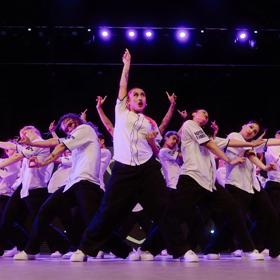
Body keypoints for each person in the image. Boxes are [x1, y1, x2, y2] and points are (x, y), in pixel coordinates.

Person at [70, 48, 190, 262]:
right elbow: (122, 85)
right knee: (107, 211)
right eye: (136, 94)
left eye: (143, 95)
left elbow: (159, 137)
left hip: (147, 169)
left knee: (163, 209)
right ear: (127, 101)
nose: (140, 97)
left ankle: (181, 250)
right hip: (123, 169)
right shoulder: (121, 112)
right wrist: (127, 64)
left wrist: (155, 135)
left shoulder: (149, 123)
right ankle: (85, 249)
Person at [13, 114, 105, 260]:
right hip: (73, 183)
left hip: (86, 182)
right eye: (66, 128)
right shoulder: (75, 137)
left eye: (70, 123)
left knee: (93, 221)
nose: (69, 128)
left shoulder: (84, 129)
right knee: (46, 210)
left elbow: (60, 146)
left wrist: (44, 162)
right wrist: (33, 144)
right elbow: (54, 141)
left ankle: (120, 250)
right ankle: (31, 250)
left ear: (78, 121)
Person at [225, 121, 280, 259]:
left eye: (255, 131)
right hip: (237, 184)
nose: (252, 131)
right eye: (251, 127)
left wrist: (264, 168)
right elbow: (250, 151)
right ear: (243, 125)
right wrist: (256, 144)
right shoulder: (234, 136)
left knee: (271, 215)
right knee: (236, 219)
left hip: (253, 185)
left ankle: (275, 250)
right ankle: (214, 248)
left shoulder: (251, 144)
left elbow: (263, 145)